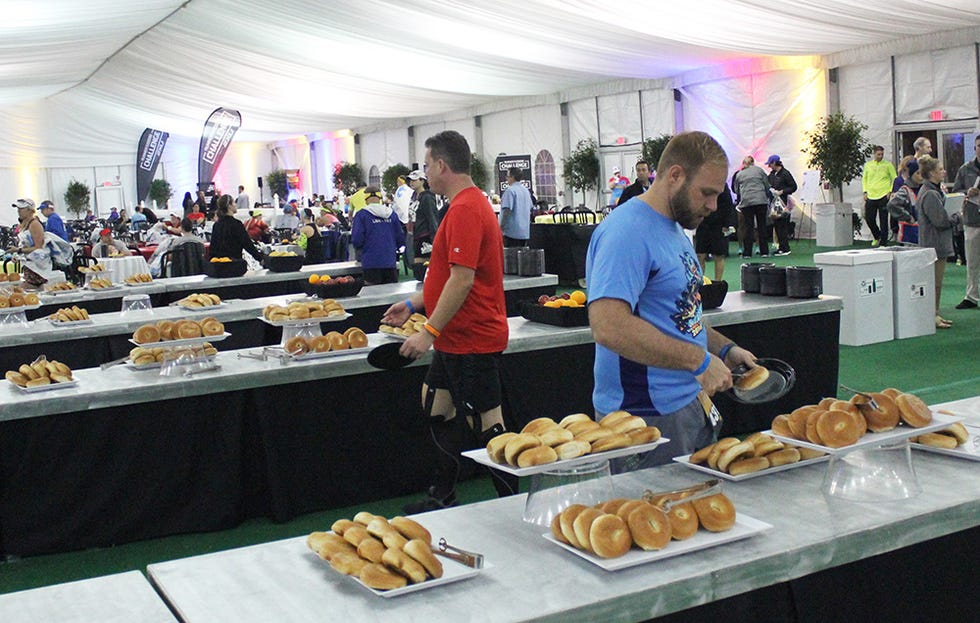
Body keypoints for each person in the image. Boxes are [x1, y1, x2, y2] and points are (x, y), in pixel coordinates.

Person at [586, 131, 758, 468]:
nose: (712, 206)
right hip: (643, 417)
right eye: (706, 194)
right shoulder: (626, 233)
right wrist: (699, 362)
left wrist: (723, 349)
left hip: (686, 404)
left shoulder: (674, 228)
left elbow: (679, 315)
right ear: (675, 175)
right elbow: (607, 327)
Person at [381, 130, 512, 512]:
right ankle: (443, 494)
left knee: (488, 423)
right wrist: (413, 303)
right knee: (435, 407)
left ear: (441, 165)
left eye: (426, 165)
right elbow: (448, 276)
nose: (424, 173)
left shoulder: (468, 208)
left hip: (472, 338)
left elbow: (463, 279)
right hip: (456, 337)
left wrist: (428, 332)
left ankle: (512, 503)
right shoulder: (462, 206)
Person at [916, 156, 954, 329]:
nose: (943, 172)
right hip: (934, 243)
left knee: (936, 283)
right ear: (932, 173)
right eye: (940, 170)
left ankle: (935, 313)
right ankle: (931, 314)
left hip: (936, 243)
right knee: (934, 283)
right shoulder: (930, 193)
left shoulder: (933, 191)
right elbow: (940, 221)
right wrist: (957, 216)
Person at [351, 187, 404, 283]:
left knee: (373, 294)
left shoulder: (361, 215)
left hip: (370, 262)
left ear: (365, 198)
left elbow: (357, 239)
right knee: (392, 293)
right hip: (390, 261)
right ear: (380, 197)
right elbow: (400, 237)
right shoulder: (392, 214)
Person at [952, 133, 980, 309]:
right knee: (972, 261)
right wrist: (967, 193)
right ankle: (971, 296)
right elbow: (956, 191)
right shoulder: (965, 169)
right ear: (975, 148)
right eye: (979, 146)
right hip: (972, 220)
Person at [694, 183, 736, 281]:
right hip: (703, 222)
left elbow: (728, 204)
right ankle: (700, 282)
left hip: (719, 224)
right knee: (700, 254)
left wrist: (727, 224)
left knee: (718, 255)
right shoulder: (699, 183)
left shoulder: (722, 185)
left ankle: (718, 282)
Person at [733, 155, 771, 257]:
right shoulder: (759, 171)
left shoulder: (740, 174)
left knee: (748, 227)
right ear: (753, 162)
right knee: (762, 226)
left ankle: (747, 252)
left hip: (747, 202)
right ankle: (764, 252)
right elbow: (767, 185)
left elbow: (736, 189)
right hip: (761, 201)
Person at [862, 146, 898, 247]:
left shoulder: (888, 165)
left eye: (882, 154)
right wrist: (865, 192)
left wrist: (890, 191)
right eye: (878, 154)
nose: (880, 156)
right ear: (874, 154)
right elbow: (864, 178)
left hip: (883, 195)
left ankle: (883, 242)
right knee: (869, 218)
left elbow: (894, 178)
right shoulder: (868, 165)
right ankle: (877, 235)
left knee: (884, 220)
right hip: (871, 195)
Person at [210, 194, 263, 262]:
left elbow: (213, 248)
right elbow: (247, 244)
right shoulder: (236, 224)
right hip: (234, 265)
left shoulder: (216, 225)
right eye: (234, 202)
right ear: (229, 206)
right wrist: (260, 258)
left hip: (219, 265)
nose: (235, 205)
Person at [765, 155, 797, 256]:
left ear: (774, 163)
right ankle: (781, 247)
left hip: (783, 203)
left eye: (770, 164)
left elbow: (794, 187)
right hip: (774, 203)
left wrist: (782, 191)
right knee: (777, 225)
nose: (769, 166)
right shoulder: (772, 174)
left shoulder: (785, 173)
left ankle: (785, 248)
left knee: (782, 225)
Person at [409, 169, 439, 269]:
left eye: (414, 180)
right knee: (418, 266)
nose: (411, 182)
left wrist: (434, 239)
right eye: (410, 180)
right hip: (416, 236)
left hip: (425, 237)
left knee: (423, 267)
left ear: (422, 181)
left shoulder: (427, 197)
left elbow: (432, 217)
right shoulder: (413, 197)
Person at [498, 167, 532, 247]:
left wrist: (500, 229)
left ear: (512, 177)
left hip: (511, 233)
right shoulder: (525, 191)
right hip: (524, 232)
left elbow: (507, 211)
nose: (506, 178)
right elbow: (530, 207)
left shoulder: (510, 191)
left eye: (507, 176)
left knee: (511, 257)